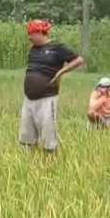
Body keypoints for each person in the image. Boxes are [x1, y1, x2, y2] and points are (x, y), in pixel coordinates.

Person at [20, 19, 85, 152]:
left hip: (47, 97)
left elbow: (79, 60)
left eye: (31, 33)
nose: (29, 37)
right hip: (29, 98)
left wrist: (61, 71)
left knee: (48, 131)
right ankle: (28, 162)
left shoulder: (57, 47)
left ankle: (51, 161)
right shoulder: (33, 49)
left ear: (40, 33)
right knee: (27, 135)